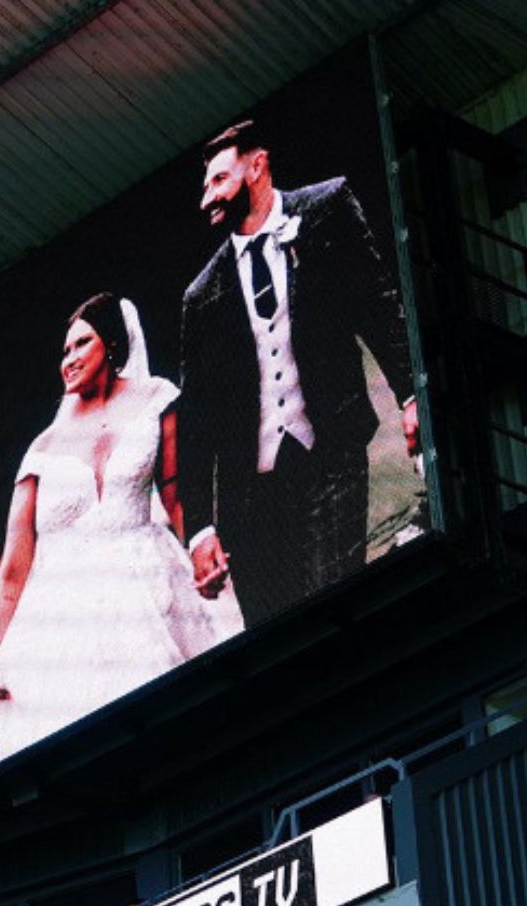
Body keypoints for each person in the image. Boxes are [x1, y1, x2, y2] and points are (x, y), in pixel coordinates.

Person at [179, 121, 421, 627]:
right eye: (205, 187)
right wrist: (200, 529)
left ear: (258, 166)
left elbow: (378, 306)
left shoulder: (327, 208)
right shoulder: (202, 297)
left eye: (220, 181)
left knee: (333, 604)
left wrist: (411, 394)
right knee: (273, 628)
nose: (209, 200)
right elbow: (197, 422)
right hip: (254, 496)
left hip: (330, 453)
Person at [0, 294, 241, 757]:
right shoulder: (41, 449)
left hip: (147, 583)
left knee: (172, 724)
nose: (69, 359)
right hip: (65, 614)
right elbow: (13, 571)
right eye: (65, 351)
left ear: (110, 343)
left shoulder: (155, 399)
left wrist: (202, 551)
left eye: (81, 344)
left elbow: (175, 496)